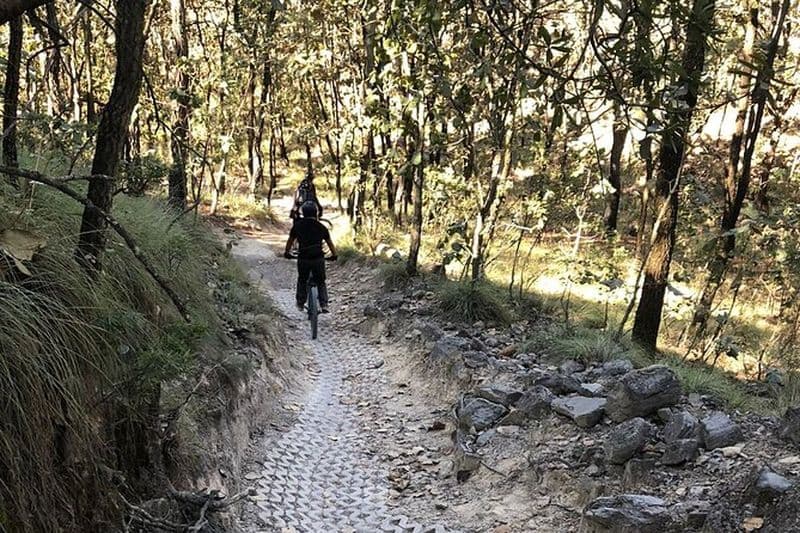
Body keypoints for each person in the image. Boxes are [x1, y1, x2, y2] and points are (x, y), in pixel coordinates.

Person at [284, 201, 337, 313]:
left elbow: (290, 241)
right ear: (316, 213)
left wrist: (287, 252)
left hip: (303, 258)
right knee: (321, 281)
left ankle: (300, 303)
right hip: (318, 258)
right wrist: (334, 255)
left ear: (303, 213)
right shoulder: (321, 227)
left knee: (302, 279)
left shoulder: (297, 226)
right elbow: (329, 243)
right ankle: (324, 304)